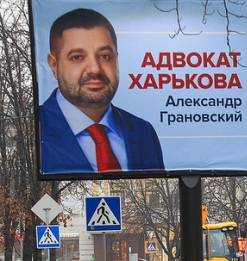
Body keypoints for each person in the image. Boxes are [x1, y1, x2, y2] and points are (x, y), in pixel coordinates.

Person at [39, 8, 164, 175]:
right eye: (77, 57)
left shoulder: (144, 132)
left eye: (104, 56)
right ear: (54, 65)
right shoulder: (35, 130)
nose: (95, 69)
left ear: (116, 59)